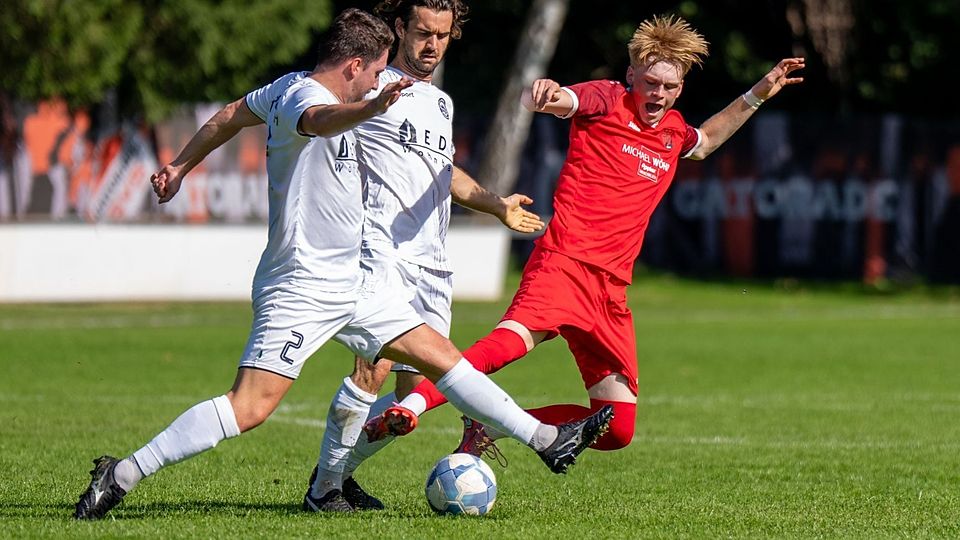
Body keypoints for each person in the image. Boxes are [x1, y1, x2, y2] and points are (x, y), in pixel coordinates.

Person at [72, 8, 612, 521]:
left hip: (357, 280)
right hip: (301, 285)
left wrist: (180, 165)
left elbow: (231, 115)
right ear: (355, 67)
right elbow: (323, 119)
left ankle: (548, 441)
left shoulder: (284, 86)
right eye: (374, 72)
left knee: (443, 360)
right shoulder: (306, 97)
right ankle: (121, 473)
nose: (378, 80)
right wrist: (373, 109)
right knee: (249, 408)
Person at [364, 15, 805, 456]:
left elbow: (706, 141)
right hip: (565, 264)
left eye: (669, 87)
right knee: (506, 345)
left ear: (681, 88)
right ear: (632, 75)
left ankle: (487, 428)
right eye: (650, 82)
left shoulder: (672, 132)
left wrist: (758, 93)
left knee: (616, 429)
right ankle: (415, 406)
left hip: (610, 293)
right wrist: (547, 94)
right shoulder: (608, 100)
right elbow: (566, 100)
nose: (658, 94)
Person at [305, 0, 546, 512]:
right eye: (421, 32)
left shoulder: (440, 102)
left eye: (441, 34)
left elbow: (445, 174)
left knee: (414, 397)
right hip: (381, 252)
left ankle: (335, 475)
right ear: (399, 28)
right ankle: (324, 489)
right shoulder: (370, 86)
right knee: (371, 370)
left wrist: (495, 205)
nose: (431, 43)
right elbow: (320, 119)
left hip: (432, 262)